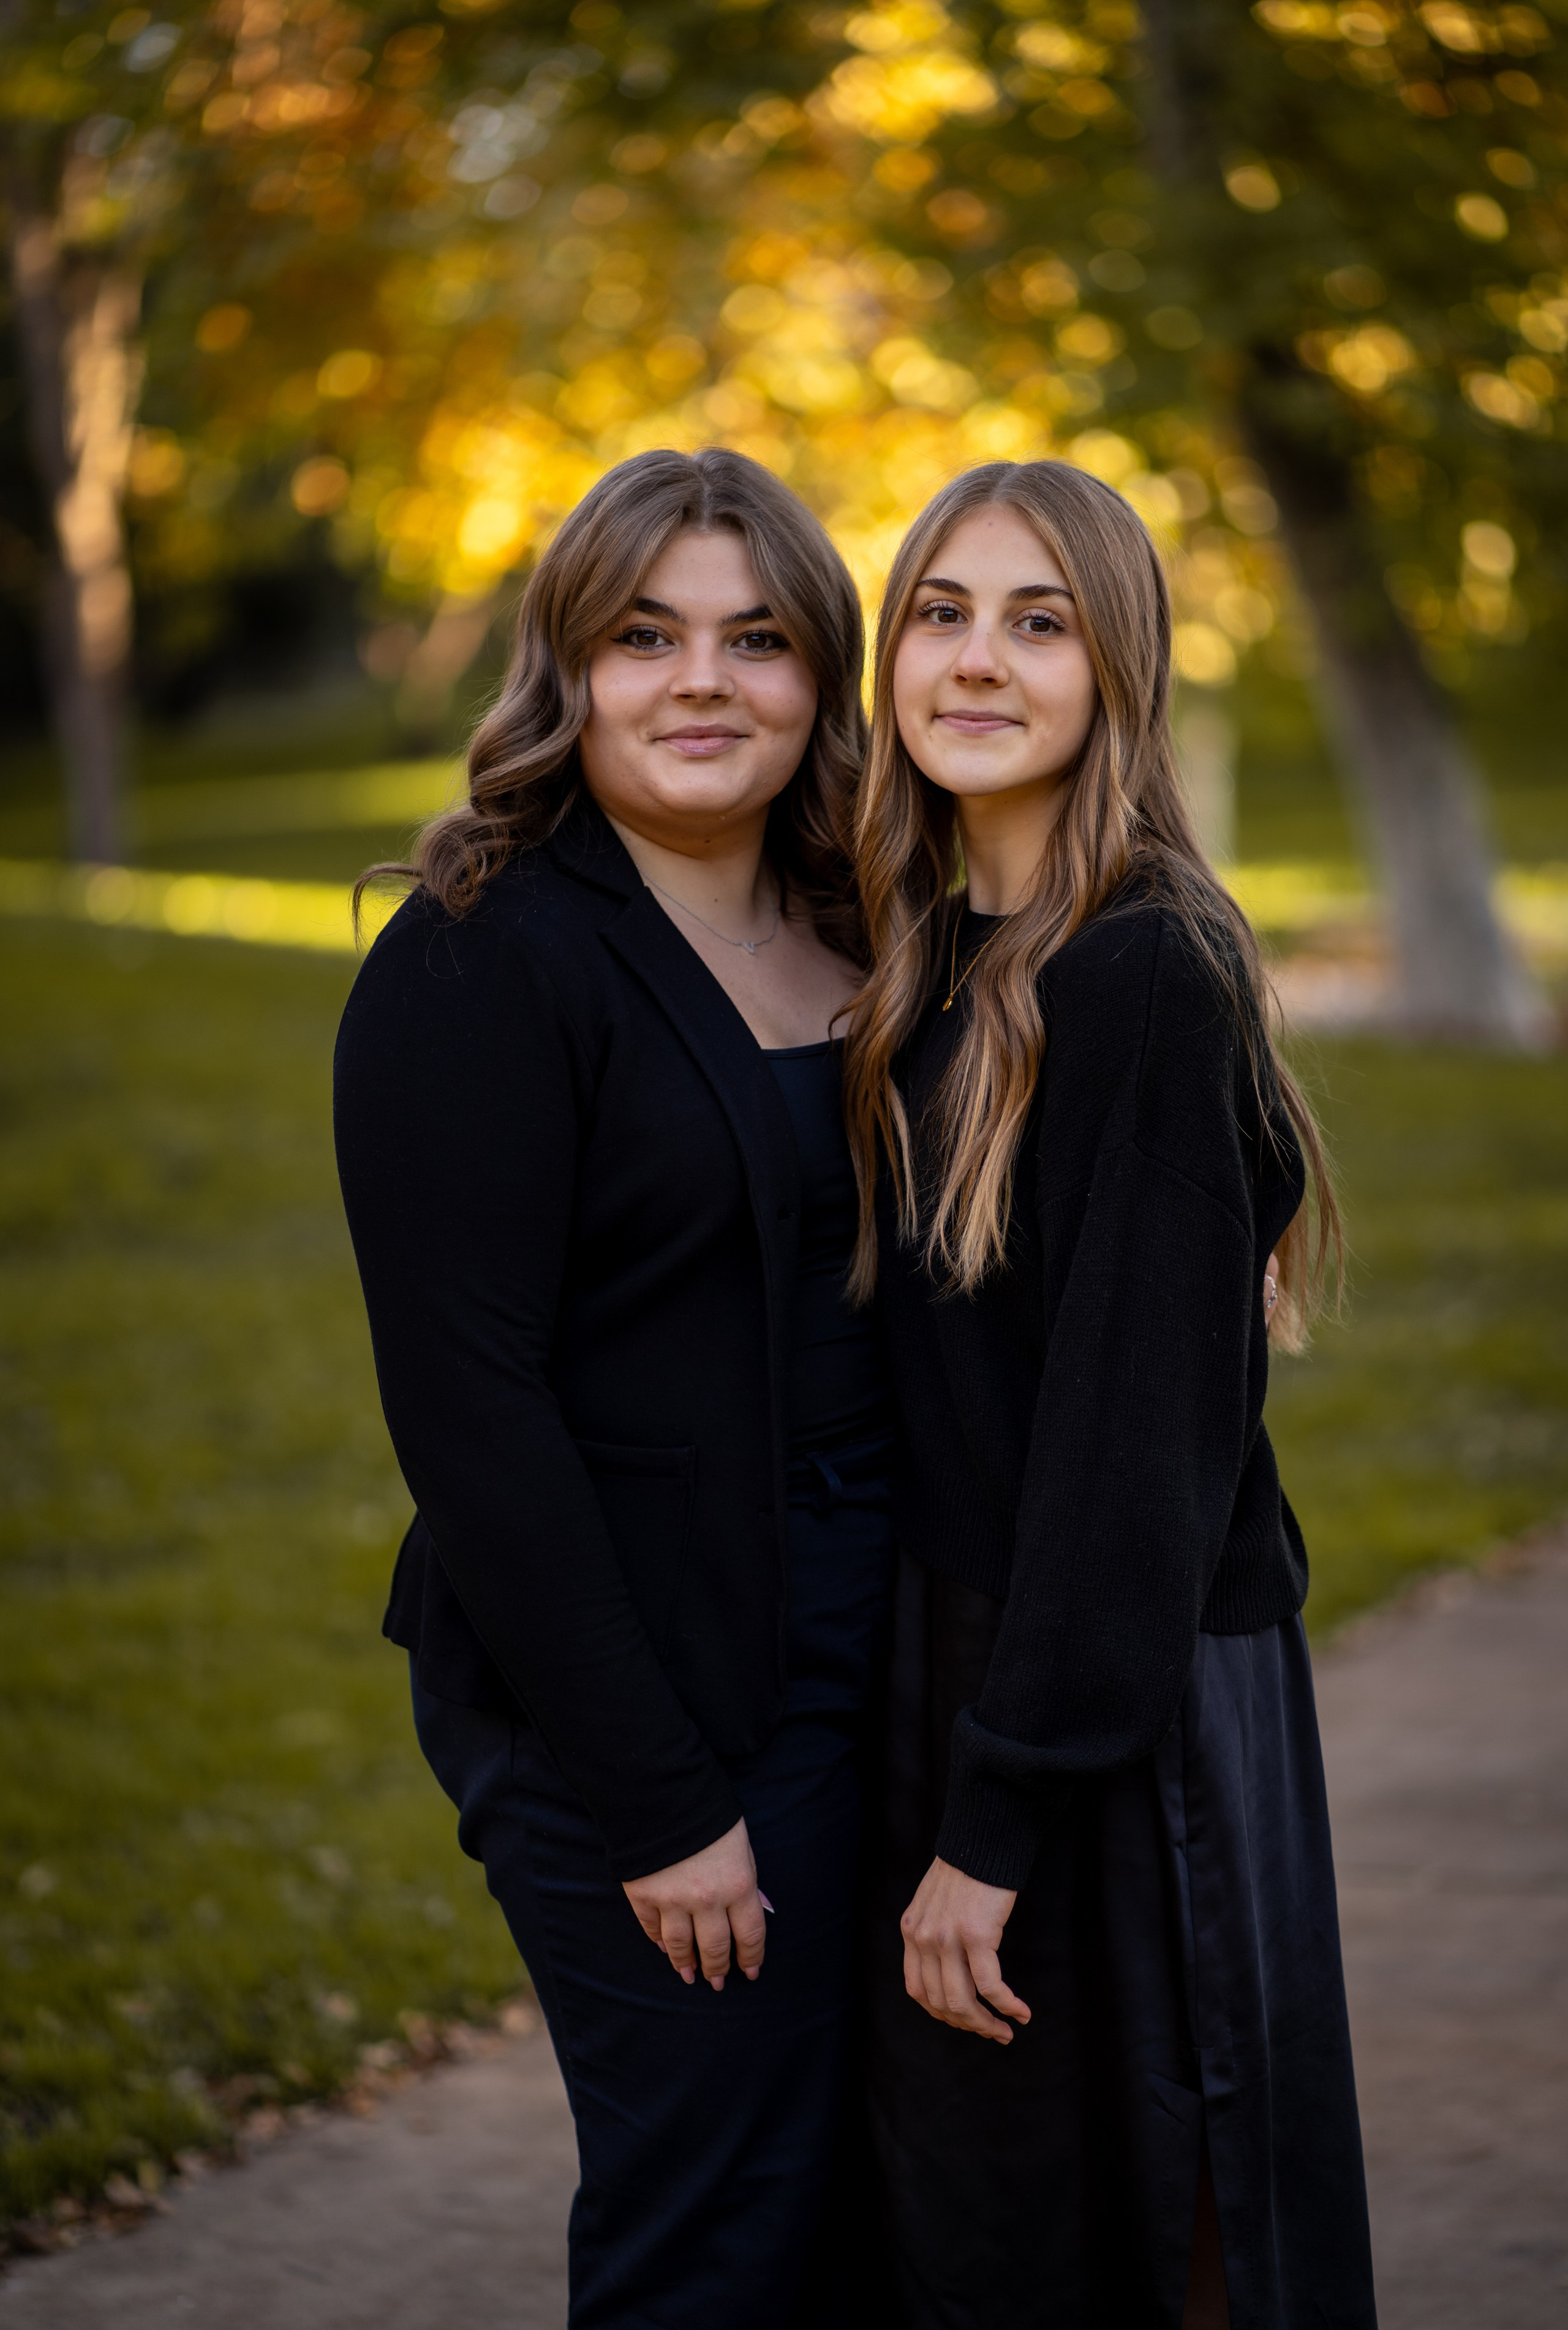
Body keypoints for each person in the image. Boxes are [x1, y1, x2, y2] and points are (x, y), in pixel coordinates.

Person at [333, 448, 899, 2329]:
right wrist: (657, 1803)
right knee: (716, 2229)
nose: (704, 683)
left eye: (757, 638)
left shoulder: (866, 922)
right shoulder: (481, 958)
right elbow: (471, 1408)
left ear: (822, 675)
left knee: (873, 2208)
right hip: (643, 1690)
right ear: (569, 664)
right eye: (645, 635)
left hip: (876, 1644)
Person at [842, 459, 1378, 2329]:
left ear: (1116, 669)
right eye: (940, 611)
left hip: (1118, 1703)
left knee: (1170, 2232)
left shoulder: (1143, 971)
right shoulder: (916, 959)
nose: (976, 660)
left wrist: (993, 1823)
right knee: (1003, 2245)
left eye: (1039, 620)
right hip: (979, 1671)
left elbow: (1133, 1456)